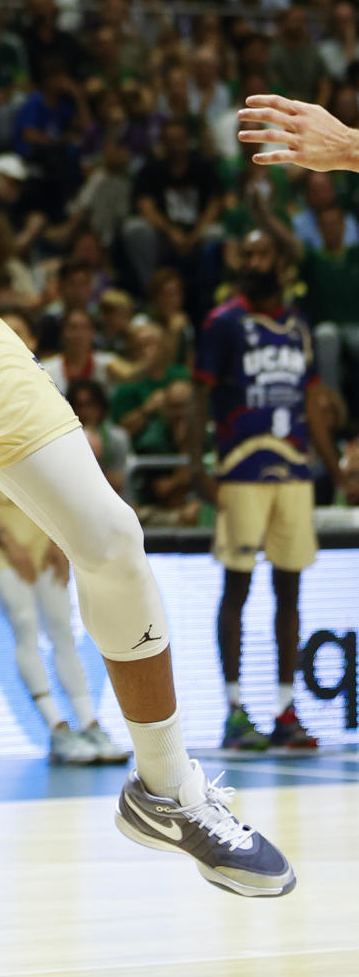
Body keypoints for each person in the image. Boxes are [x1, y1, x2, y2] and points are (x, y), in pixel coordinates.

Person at [189, 230, 343, 753]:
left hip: (295, 472)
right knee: (237, 590)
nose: (251, 260)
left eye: (261, 253)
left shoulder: (299, 327)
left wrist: (335, 467)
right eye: (246, 252)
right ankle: (234, 711)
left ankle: (285, 709)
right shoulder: (223, 322)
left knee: (290, 593)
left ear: (280, 261)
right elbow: (198, 396)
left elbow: (314, 401)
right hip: (240, 469)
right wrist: (196, 466)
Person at [0, 471, 129, 766]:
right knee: (25, 624)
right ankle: (57, 727)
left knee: (63, 628)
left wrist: (59, 538)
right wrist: (5, 539)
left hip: (41, 529)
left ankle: (90, 724)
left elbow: (53, 478)